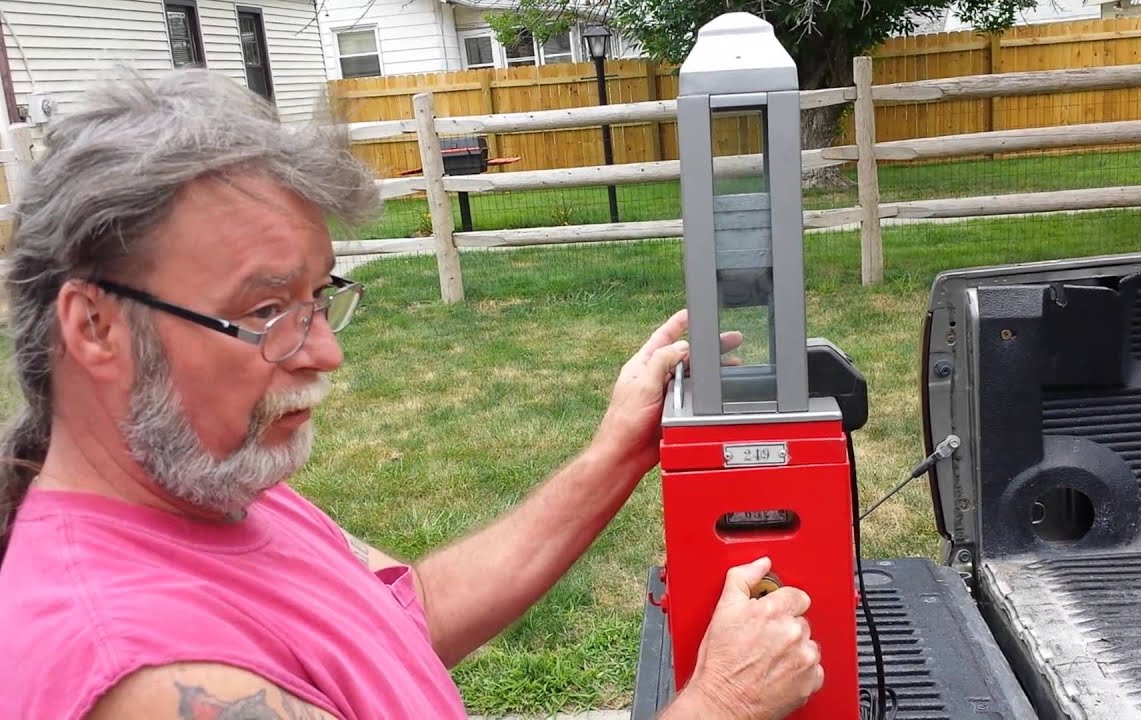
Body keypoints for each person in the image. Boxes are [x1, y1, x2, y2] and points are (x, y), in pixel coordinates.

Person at [0, 69, 823, 719]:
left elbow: (407, 614)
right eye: (264, 311)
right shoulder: (144, 675)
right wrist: (721, 704)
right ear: (95, 328)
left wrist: (618, 453)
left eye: (320, 297)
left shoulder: (215, 484)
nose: (324, 351)